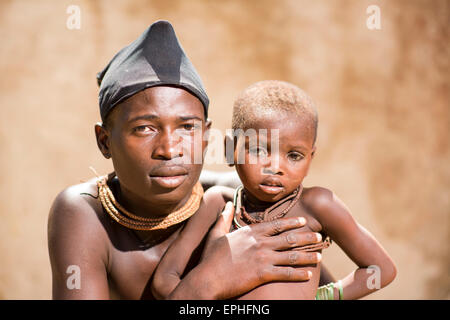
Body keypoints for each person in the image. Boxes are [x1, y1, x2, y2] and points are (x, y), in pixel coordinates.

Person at [47, 21, 324, 300]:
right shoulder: (85, 213)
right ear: (104, 141)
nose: (169, 149)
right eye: (145, 128)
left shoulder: (245, 199)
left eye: (187, 127)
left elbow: (314, 290)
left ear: (206, 136)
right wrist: (206, 283)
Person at [152, 80, 397, 300]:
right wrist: (208, 282)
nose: (275, 168)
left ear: (311, 158)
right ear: (230, 150)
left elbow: (381, 270)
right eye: (259, 150)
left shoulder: (317, 205)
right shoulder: (218, 204)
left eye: (294, 155)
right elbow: (164, 281)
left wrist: (327, 296)